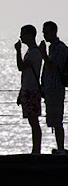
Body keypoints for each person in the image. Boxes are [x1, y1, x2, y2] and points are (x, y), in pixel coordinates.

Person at [39, 21, 68, 154]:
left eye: (46, 32)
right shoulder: (53, 48)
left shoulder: (60, 48)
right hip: (50, 89)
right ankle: (60, 147)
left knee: (57, 121)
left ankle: (61, 149)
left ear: (53, 32)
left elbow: (52, 67)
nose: (44, 35)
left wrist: (43, 54)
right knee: (53, 120)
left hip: (56, 88)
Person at [15, 25, 42, 154]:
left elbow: (21, 67)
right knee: (32, 120)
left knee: (34, 120)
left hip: (32, 90)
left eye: (23, 34)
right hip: (27, 89)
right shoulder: (30, 52)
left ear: (31, 35)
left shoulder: (35, 52)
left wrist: (17, 51)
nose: (21, 37)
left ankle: (36, 149)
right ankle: (35, 148)